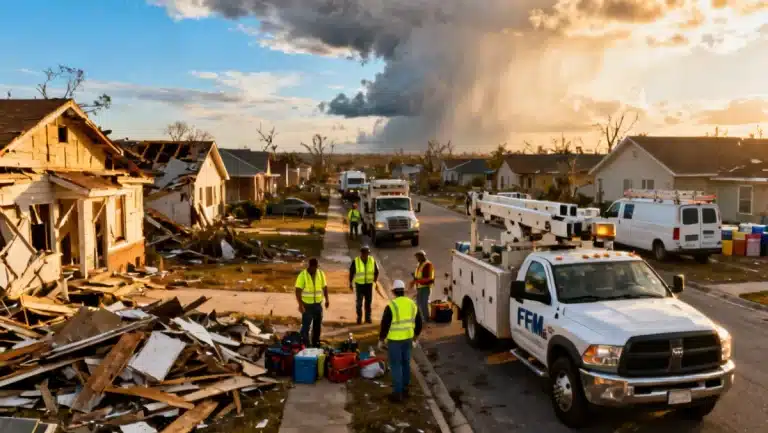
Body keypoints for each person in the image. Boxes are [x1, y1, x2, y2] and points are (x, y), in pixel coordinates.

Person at [378, 279, 423, 403]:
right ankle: (405, 389)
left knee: (396, 365)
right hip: (408, 339)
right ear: (403, 291)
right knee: (405, 363)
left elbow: (385, 325)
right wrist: (415, 338)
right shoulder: (412, 304)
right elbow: (419, 323)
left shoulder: (391, 306)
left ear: (393, 292)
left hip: (395, 341)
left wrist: (381, 340)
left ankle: (397, 393)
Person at [294, 258, 329, 347]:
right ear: (311, 266)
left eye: (317, 267)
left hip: (318, 305)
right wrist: (300, 305)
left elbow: (324, 287)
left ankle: (315, 344)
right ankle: (306, 345)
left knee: (317, 327)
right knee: (305, 328)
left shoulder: (320, 274)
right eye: (315, 267)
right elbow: (298, 290)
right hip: (307, 306)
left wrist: (327, 299)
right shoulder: (303, 275)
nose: (316, 269)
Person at [349, 245, 379, 324]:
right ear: (361, 253)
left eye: (368, 253)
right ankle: (359, 318)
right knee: (359, 303)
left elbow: (376, 271)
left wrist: (375, 281)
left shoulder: (372, 260)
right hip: (359, 285)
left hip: (369, 285)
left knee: (368, 302)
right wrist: (350, 283)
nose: (367, 255)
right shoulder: (356, 261)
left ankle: (368, 318)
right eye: (365, 253)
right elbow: (351, 273)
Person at [410, 250, 434, 323]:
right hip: (419, 287)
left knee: (424, 304)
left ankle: (426, 319)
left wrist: (417, 279)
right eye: (416, 257)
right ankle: (421, 319)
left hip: (425, 288)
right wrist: (414, 277)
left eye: (418, 257)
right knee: (418, 304)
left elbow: (429, 278)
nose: (417, 258)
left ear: (422, 256)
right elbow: (419, 275)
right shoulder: (420, 264)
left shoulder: (427, 264)